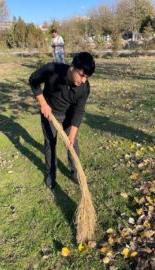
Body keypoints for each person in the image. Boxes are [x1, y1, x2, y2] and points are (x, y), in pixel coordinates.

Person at [29, 52, 95, 189]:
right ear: (72, 67)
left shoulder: (84, 88)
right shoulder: (52, 69)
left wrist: (71, 135)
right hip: (50, 112)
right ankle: (50, 174)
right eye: (82, 75)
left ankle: (76, 174)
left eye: (87, 77)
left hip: (68, 115)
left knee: (73, 144)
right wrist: (43, 104)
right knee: (50, 143)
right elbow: (33, 80)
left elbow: (78, 111)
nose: (83, 80)